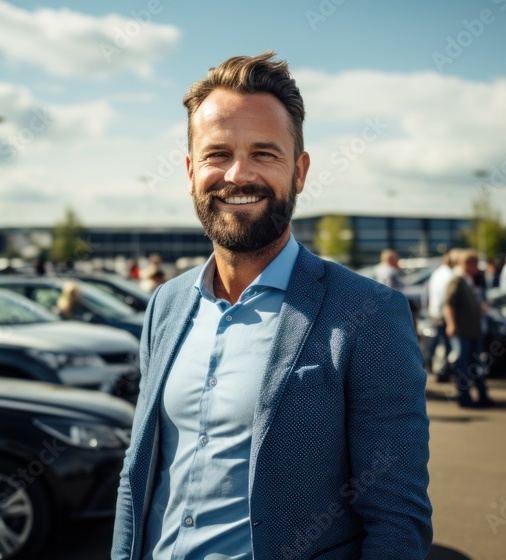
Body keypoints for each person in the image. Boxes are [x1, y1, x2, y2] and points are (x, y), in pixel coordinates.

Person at [113, 52, 432, 560]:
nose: (238, 175)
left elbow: (398, 521)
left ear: (300, 172)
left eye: (265, 154)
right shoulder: (166, 306)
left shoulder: (368, 315)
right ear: (192, 170)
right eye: (218, 154)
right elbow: (138, 477)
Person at [444, 249, 493, 409]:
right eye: (475, 264)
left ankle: (479, 395)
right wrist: (451, 324)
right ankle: (464, 398)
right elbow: (448, 305)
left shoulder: (467, 280)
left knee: (473, 365)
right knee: (464, 366)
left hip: (471, 331)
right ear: (468, 264)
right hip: (464, 332)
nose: (477, 268)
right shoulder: (457, 280)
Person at [423, 249, 457, 381]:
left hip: (434, 312)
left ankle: (427, 368)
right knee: (444, 345)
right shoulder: (449, 275)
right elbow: (448, 299)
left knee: (434, 344)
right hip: (443, 315)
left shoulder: (437, 273)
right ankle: (442, 373)